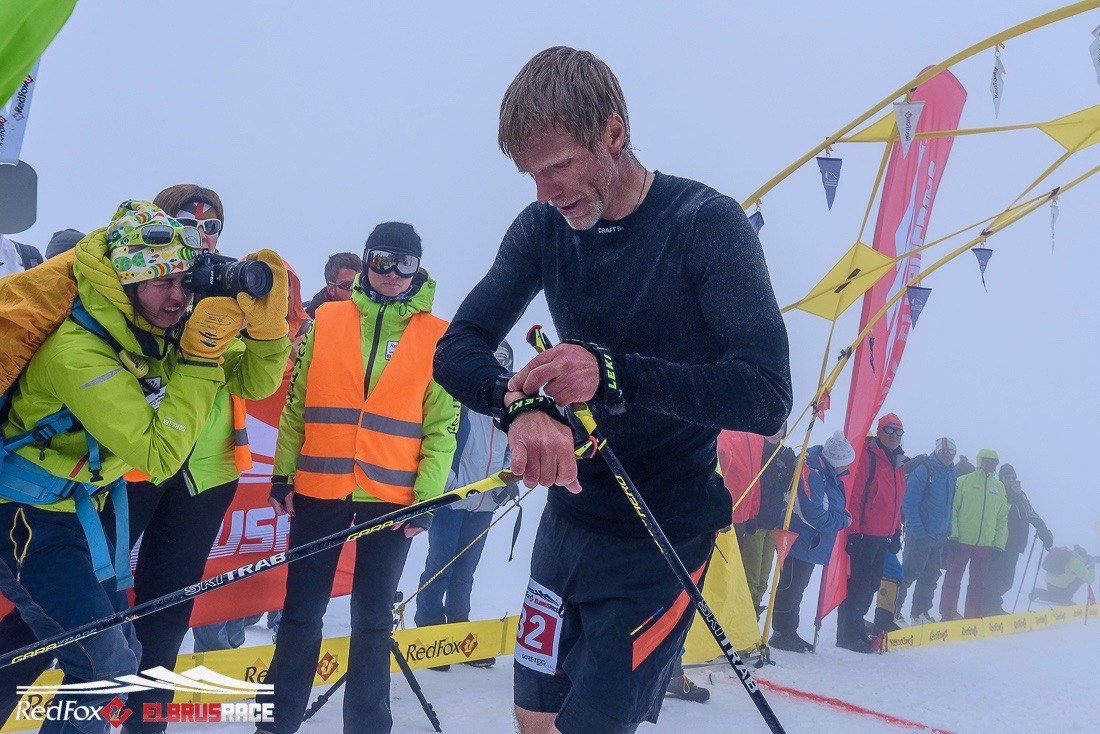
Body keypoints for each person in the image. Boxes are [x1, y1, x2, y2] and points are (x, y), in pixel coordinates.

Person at [433, 47, 791, 734]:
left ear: (614, 133)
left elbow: (766, 393)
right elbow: (459, 347)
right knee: (534, 721)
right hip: (570, 521)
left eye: (559, 167)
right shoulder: (544, 228)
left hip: (660, 532)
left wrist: (613, 373)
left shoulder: (705, 224)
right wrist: (523, 405)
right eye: (532, 176)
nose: (545, 193)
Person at [0, 201, 247, 734]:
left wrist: (262, 331)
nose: (179, 296)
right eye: (161, 282)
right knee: (103, 664)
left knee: (118, 653)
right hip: (26, 518)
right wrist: (200, 358)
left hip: (77, 515)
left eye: (184, 281)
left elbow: (253, 382)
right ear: (126, 281)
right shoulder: (78, 351)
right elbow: (159, 456)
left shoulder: (138, 333)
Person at [94, 186, 290, 734]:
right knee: (89, 603)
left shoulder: (222, 290)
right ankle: (80, 716)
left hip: (205, 474)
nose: (203, 234)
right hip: (133, 466)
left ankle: (144, 724)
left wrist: (268, 330)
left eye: (213, 225)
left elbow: (255, 382)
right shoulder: (141, 283)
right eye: (188, 222)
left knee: (167, 611)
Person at [258, 222, 458, 734]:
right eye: (381, 260)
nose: (392, 273)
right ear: (367, 262)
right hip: (319, 487)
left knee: (373, 619)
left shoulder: (438, 334)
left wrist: (427, 498)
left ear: (418, 268)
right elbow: (297, 405)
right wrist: (282, 474)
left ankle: (368, 726)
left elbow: (442, 426)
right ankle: (273, 722)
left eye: (405, 263)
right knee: (300, 612)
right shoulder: (327, 320)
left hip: (391, 496)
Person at [415, 340, 519, 671]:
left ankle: (460, 635)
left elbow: (511, 450)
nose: (498, 366)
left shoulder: (507, 407)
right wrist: (447, 485)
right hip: (452, 500)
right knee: (441, 566)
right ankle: (429, 633)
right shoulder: (461, 396)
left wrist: (508, 482)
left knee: (465, 572)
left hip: (484, 504)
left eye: (504, 361)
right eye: (493, 358)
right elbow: (441, 440)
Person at [771, 431, 854, 653]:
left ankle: (789, 632)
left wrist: (838, 515)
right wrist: (842, 520)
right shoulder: (816, 473)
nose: (847, 467)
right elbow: (814, 515)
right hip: (801, 538)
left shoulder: (824, 471)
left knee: (796, 588)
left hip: (808, 541)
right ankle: (781, 634)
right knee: (791, 587)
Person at [836, 413, 907, 653]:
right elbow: (855, 496)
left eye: (898, 432)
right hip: (864, 534)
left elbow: (897, 501)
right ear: (879, 431)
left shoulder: (898, 462)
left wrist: (896, 531)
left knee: (872, 584)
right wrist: (853, 532)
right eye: (889, 430)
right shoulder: (869, 457)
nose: (894, 436)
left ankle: (856, 629)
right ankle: (847, 635)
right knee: (858, 586)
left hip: (883, 535)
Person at [721, 425, 795, 615]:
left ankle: (752, 617)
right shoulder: (756, 450)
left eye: (781, 429)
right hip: (755, 522)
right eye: (775, 428)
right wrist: (751, 515)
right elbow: (754, 485)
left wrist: (789, 472)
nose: (777, 433)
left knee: (763, 580)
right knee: (750, 579)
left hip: (772, 523)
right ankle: (742, 618)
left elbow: (784, 490)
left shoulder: (782, 455)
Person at [940, 448, 1008, 620]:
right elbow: (953, 509)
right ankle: (948, 613)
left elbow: (1002, 518)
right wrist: (952, 535)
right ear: (980, 461)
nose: (990, 464)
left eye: (994, 462)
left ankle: (973, 616)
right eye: (987, 461)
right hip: (961, 540)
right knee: (953, 579)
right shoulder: (964, 481)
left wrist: (999, 544)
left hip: (985, 544)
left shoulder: (999, 487)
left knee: (978, 583)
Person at [898, 437, 957, 625]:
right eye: (944, 451)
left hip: (939, 535)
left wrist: (947, 529)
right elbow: (909, 503)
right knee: (908, 573)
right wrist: (919, 532)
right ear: (937, 451)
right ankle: (893, 612)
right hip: (920, 535)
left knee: (930, 576)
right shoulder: (924, 470)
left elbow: (949, 504)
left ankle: (920, 613)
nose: (947, 455)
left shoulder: (951, 472)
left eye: (951, 452)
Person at [984, 463, 1054, 615]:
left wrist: (1044, 531)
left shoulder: (1020, 495)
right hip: (1000, 543)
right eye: (1007, 477)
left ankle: (993, 606)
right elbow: (1001, 511)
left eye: (1013, 477)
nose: (1010, 480)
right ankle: (988, 607)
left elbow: (1031, 513)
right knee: (997, 578)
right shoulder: (998, 492)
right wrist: (1014, 495)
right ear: (1001, 478)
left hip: (1015, 545)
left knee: (1007, 581)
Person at [1032, 546, 1096, 605]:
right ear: (1083, 556)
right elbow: (1089, 579)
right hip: (1058, 585)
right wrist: (1092, 566)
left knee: (1056, 596)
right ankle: (1064, 599)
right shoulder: (1076, 562)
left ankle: (1038, 593)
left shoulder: (1069, 556)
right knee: (1080, 579)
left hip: (1050, 582)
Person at [305, 251, 362, 317]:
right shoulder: (313, 319)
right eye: (348, 285)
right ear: (331, 290)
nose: (357, 290)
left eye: (360, 283)